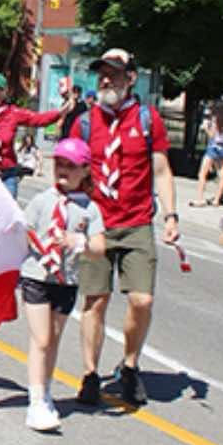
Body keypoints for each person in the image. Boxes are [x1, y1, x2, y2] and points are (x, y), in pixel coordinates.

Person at [76, 48, 178, 408]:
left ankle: (130, 365)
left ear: (130, 78)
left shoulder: (148, 120)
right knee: (95, 301)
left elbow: (162, 171)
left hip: (136, 223)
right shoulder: (86, 121)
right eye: (102, 73)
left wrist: (171, 216)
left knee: (142, 299)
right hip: (97, 223)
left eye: (114, 73)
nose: (106, 79)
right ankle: (90, 374)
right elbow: (70, 173)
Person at [20, 137, 106, 431]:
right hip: (36, 276)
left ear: (84, 171)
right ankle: (35, 401)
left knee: (53, 340)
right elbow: (23, 231)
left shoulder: (89, 209)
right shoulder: (42, 201)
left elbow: (99, 247)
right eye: (59, 164)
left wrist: (76, 241)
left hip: (66, 280)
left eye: (71, 166)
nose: (63, 171)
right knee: (41, 338)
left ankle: (45, 391)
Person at [0, 72, 70, 200]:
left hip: (7, 175)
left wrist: (60, 112)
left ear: (3, 92)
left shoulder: (13, 113)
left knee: (9, 216)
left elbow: (38, 119)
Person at [191, 100, 223, 207]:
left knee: (202, 173)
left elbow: (212, 135)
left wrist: (206, 129)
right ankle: (217, 200)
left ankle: (200, 198)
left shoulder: (215, 119)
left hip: (214, 146)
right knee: (222, 174)